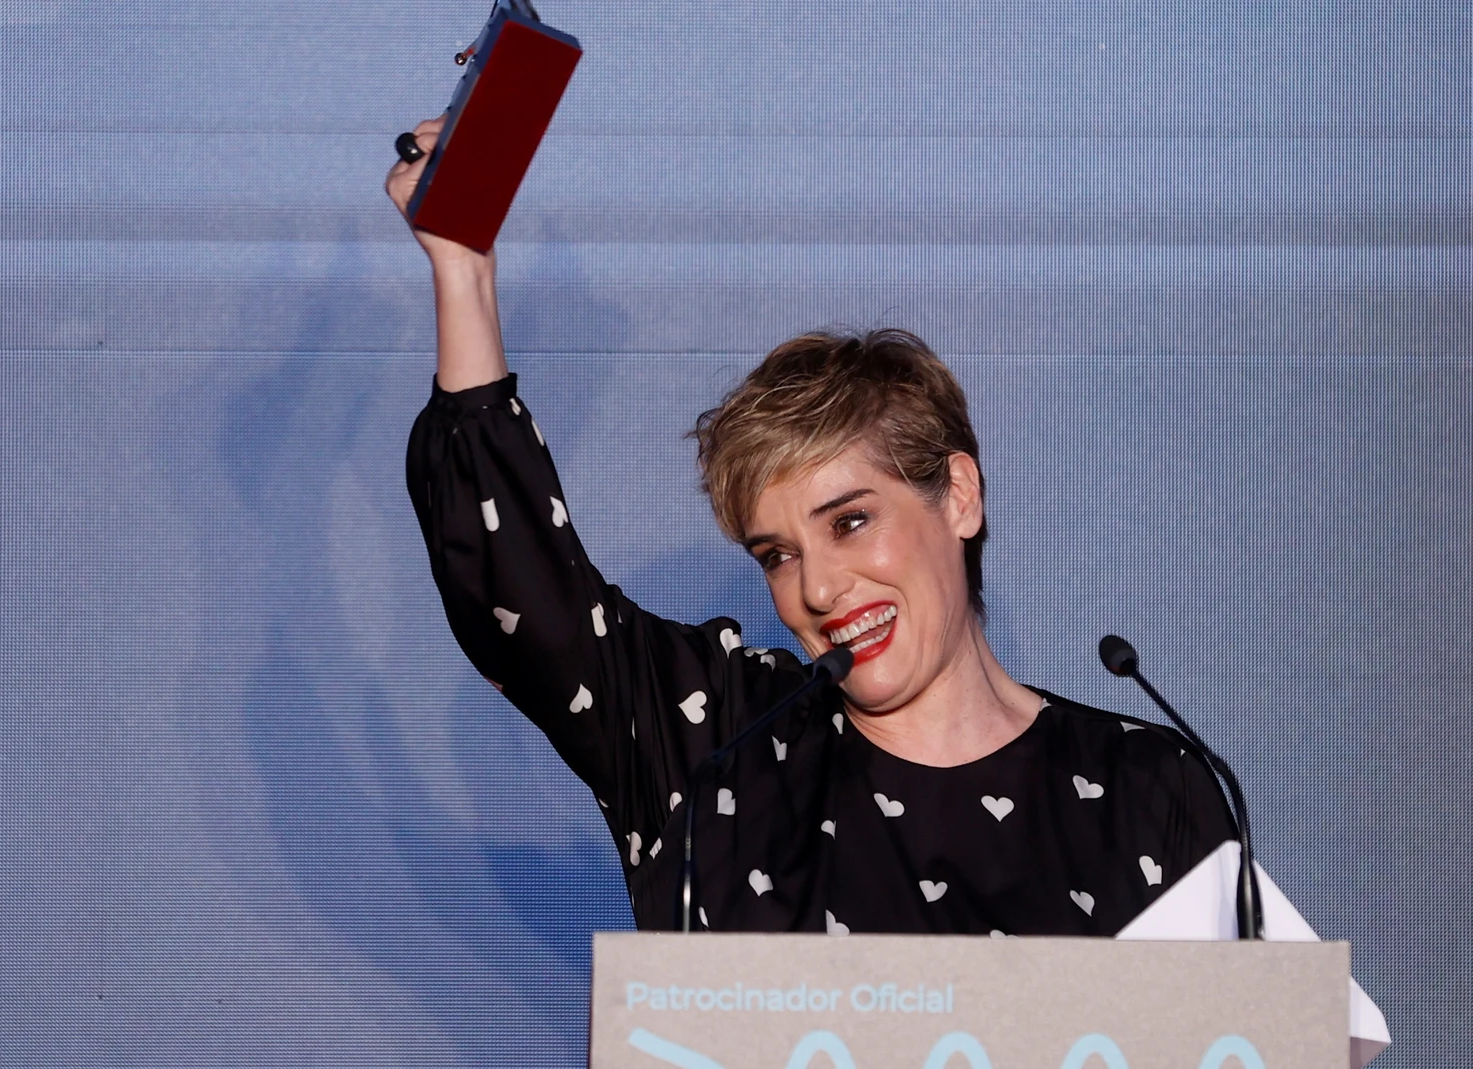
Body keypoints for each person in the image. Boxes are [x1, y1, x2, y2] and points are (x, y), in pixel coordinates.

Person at [386, 116, 1235, 936]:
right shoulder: (716, 749)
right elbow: (516, 588)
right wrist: (464, 270)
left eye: (851, 520)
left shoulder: (1148, 787)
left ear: (960, 496)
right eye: (776, 554)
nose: (816, 588)